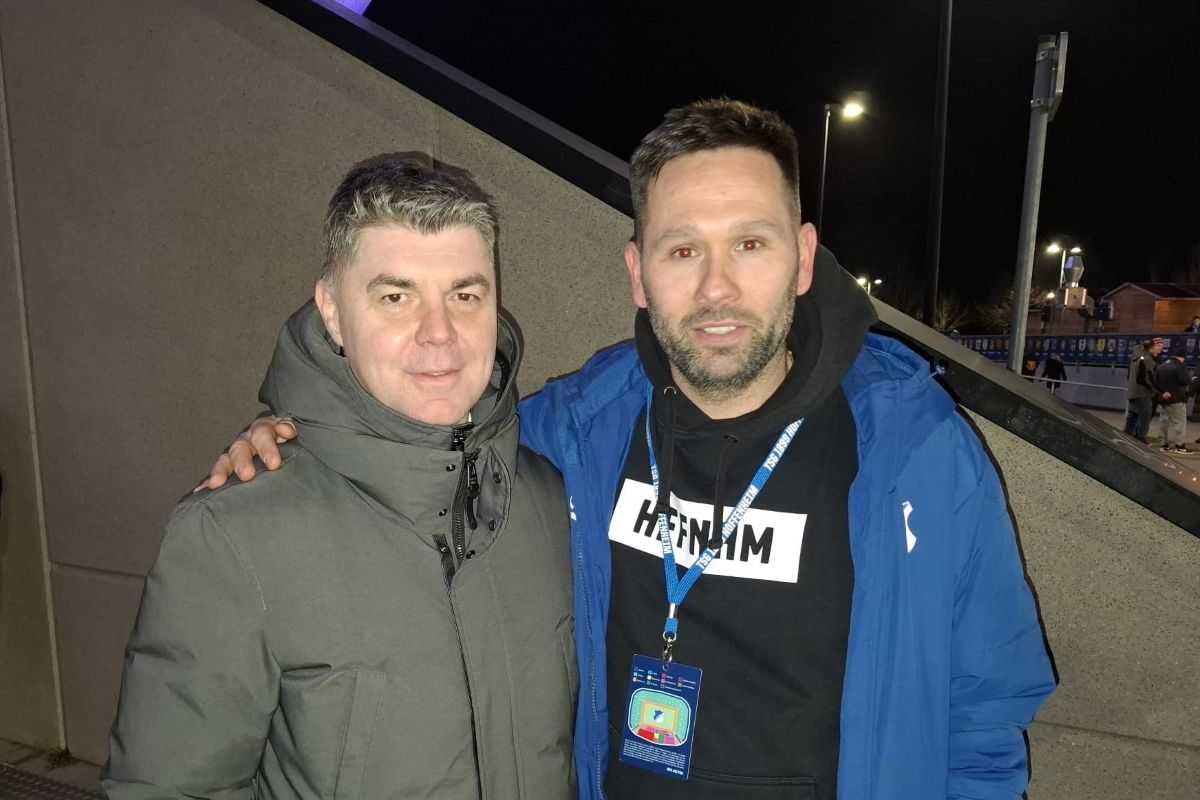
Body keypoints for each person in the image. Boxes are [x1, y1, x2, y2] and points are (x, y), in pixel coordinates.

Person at [206, 100, 1056, 799]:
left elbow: (984, 716)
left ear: (802, 260)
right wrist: (306, 435)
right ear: (638, 272)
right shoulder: (578, 427)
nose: (717, 287)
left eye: (749, 244)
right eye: (683, 250)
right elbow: (428, 441)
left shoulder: (916, 451)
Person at [104, 155, 577, 799]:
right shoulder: (232, 536)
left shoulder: (547, 501)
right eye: (395, 297)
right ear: (331, 310)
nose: (439, 335)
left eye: (465, 295)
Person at [1154, 339, 1192, 454]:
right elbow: (1185, 380)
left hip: (1163, 399)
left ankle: (1163, 444)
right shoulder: (1179, 366)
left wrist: (1163, 393)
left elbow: (1155, 382)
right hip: (1177, 399)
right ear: (1182, 357)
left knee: (1164, 421)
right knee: (1179, 422)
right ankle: (1180, 446)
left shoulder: (1162, 365)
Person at [1125, 337, 1162, 442]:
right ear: (1151, 348)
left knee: (1133, 415)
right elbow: (1146, 378)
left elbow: (1129, 375)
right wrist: (1154, 389)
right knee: (1145, 417)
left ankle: (1126, 436)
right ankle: (1141, 439)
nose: (1160, 350)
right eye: (1158, 347)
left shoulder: (1135, 357)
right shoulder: (1147, 359)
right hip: (1143, 393)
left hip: (1133, 391)